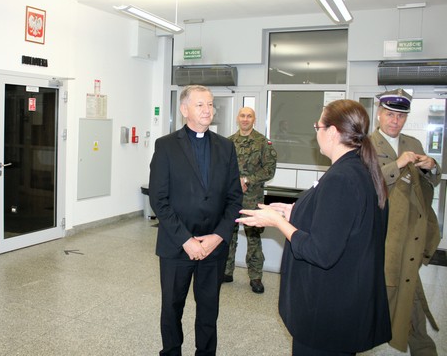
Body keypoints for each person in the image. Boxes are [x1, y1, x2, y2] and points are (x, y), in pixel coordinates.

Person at [237, 99, 391, 355]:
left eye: (318, 126)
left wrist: (278, 222)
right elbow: (341, 225)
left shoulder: (341, 178)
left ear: (332, 132)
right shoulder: (358, 169)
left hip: (326, 314)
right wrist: (295, 212)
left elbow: (321, 251)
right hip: (344, 303)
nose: (316, 132)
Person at [149, 85, 243, 356]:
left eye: (210, 104)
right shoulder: (166, 146)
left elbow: (234, 198)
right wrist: (186, 240)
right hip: (176, 245)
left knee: (209, 309)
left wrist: (218, 236)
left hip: (214, 247)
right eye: (200, 104)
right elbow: (159, 199)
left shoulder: (226, 147)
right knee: (171, 308)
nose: (207, 110)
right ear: (184, 109)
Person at [370, 88, 441, 355]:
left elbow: (431, 181)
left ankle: (422, 346)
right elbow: (366, 183)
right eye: (390, 114)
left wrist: (432, 167)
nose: (395, 121)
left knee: (408, 287)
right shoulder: (367, 145)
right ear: (379, 114)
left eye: (400, 116)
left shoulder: (414, 143)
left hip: (411, 232)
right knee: (386, 290)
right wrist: (397, 165)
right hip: (383, 233)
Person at [223, 107, 277, 293]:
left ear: (254, 119)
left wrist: (246, 180)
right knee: (228, 234)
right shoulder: (229, 142)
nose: (245, 119)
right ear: (237, 118)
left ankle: (255, 277)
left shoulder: (263, 142)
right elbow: (222, 168)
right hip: (231, 198)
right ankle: (226, 271)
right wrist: (234, 182)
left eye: (249, 116)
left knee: (253, 238)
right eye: (242, 116)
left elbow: (269, 170)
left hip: (252, 199)